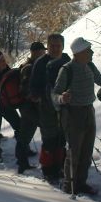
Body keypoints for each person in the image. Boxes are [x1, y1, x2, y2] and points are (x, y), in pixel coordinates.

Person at [52, 37, 101, 195]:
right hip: (73, 113)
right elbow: (55, 93)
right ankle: (69, 184)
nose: (91, 53)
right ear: (78, 53)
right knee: (74, 150)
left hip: (89, 110)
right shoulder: (67, 69)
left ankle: (81, 183)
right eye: (88, 50)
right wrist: (62, 98)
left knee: (87, 150)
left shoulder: (90, 65)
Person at [30, 33, 70, 183]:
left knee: (62, 137)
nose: (55, 48)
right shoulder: (40, 63)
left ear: (63, 46)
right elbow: (33, 85)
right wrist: (38, 96)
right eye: (52, 45)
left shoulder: (67, 61)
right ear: (47, 46)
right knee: (49, 137)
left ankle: (59, 167)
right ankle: (47, 168)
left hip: (65, 105)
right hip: (46, 106)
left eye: (58, 45)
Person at [15, 41, 47, 174]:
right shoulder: (29, 67)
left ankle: (22, 162)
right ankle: (23, 163)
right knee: (31, 134)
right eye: (41, 51)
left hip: (30, 107)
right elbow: (25, 89)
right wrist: (36, 98)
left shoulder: (35, 65)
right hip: (30, 107)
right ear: (34, 52)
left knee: (25, 136)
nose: (43, 53)